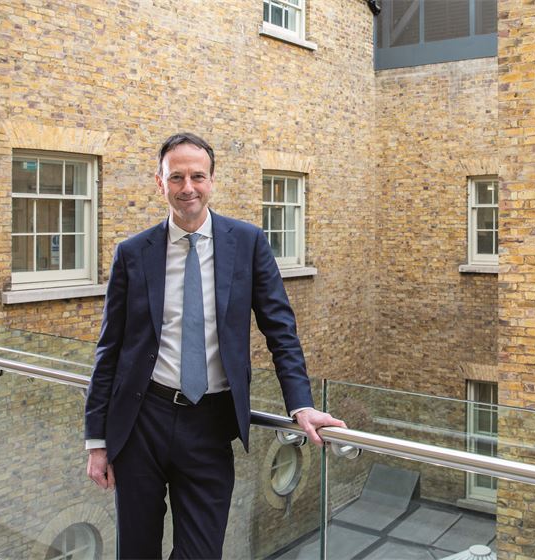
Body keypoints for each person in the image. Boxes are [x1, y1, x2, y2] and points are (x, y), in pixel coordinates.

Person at [84, 132, 345, 559]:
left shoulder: (247, 243)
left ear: (212, 180)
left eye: (197, 176)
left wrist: (301, 404)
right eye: (177, 177)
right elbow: (109, 349)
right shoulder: (132, 253)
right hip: (141, 421)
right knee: (135, 550)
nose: (188, 187)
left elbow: (280, 330)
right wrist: (97, 440)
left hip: (210, 424)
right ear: (160, 181)